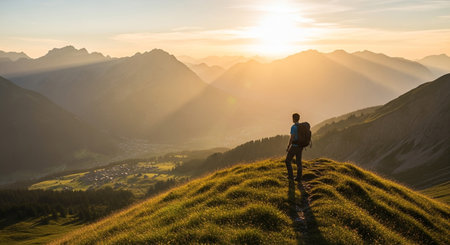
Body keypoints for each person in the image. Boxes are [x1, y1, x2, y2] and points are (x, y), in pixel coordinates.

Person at [285, 113, 304, 181]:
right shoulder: (301, 126)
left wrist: (288, 146)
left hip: (294, 146)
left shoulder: (293, 127)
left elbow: (292, 138)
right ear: (298, 118)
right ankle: (299, 178)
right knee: (299, 162)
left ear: (293, 119)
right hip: (300, 146)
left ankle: (290, 176)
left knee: (287, 161)